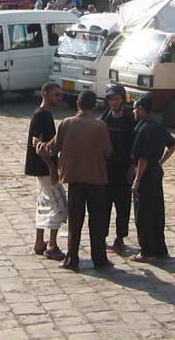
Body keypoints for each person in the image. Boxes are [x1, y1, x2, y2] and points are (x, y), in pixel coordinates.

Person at [38, 90, 112, 271]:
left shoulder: (67, 123)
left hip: (75, 179)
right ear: (94, 106)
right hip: (96, 179)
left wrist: (38, 145)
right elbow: (107, 151)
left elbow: (52, 148)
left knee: (75, 221)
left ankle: (72, 258)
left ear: (78, 104)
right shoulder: (100, 126)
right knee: (97, 221)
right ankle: (99, 258)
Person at [130, 95, 175, 262]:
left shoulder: (143, 129)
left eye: (135, 108)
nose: (134, 111)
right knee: (157, 210)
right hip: (155, 171)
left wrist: (136, 180)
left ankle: (147, 250)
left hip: (145, 174)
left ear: (142, 109)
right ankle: (159, 248)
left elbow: (142, 158)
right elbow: (172, 145)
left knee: (143, 214)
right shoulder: (157, 126)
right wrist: (161, 161)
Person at [25, 82, 65, 261]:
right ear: (46, 93)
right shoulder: (41, 116)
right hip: (45, 169)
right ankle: (52, 244)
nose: (59, 98)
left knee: (44, 202)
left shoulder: (45, 115)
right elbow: (38, 146)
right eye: (56, 94)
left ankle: (40, 241)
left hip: (43, 168)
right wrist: (51, 166)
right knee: (59, 204)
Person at [100, 85, 136, 253]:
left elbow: (135, 146)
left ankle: (120, 237)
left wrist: (132, 166)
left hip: (123, 170)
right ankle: (102, 236)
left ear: (122, 99)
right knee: (104, 205)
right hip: (106, 170)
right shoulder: (105, 118)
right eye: (111, 99)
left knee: (123, 206)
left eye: (116, 99)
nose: (114, 102)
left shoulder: (130, 121)